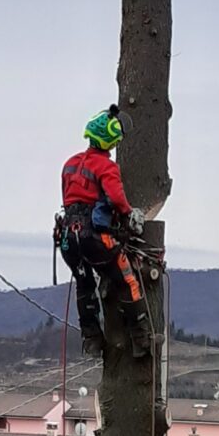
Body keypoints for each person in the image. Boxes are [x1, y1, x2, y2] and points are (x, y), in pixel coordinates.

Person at [59, 107, 148, 357]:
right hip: (95, 238)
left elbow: (68, 200)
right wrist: (130, 214)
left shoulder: (69, 165)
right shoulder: (106, 167)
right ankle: (141, 338)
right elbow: (117, 199)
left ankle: (92, 339)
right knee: (127, 279)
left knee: (84, 283)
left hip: (68, 238)